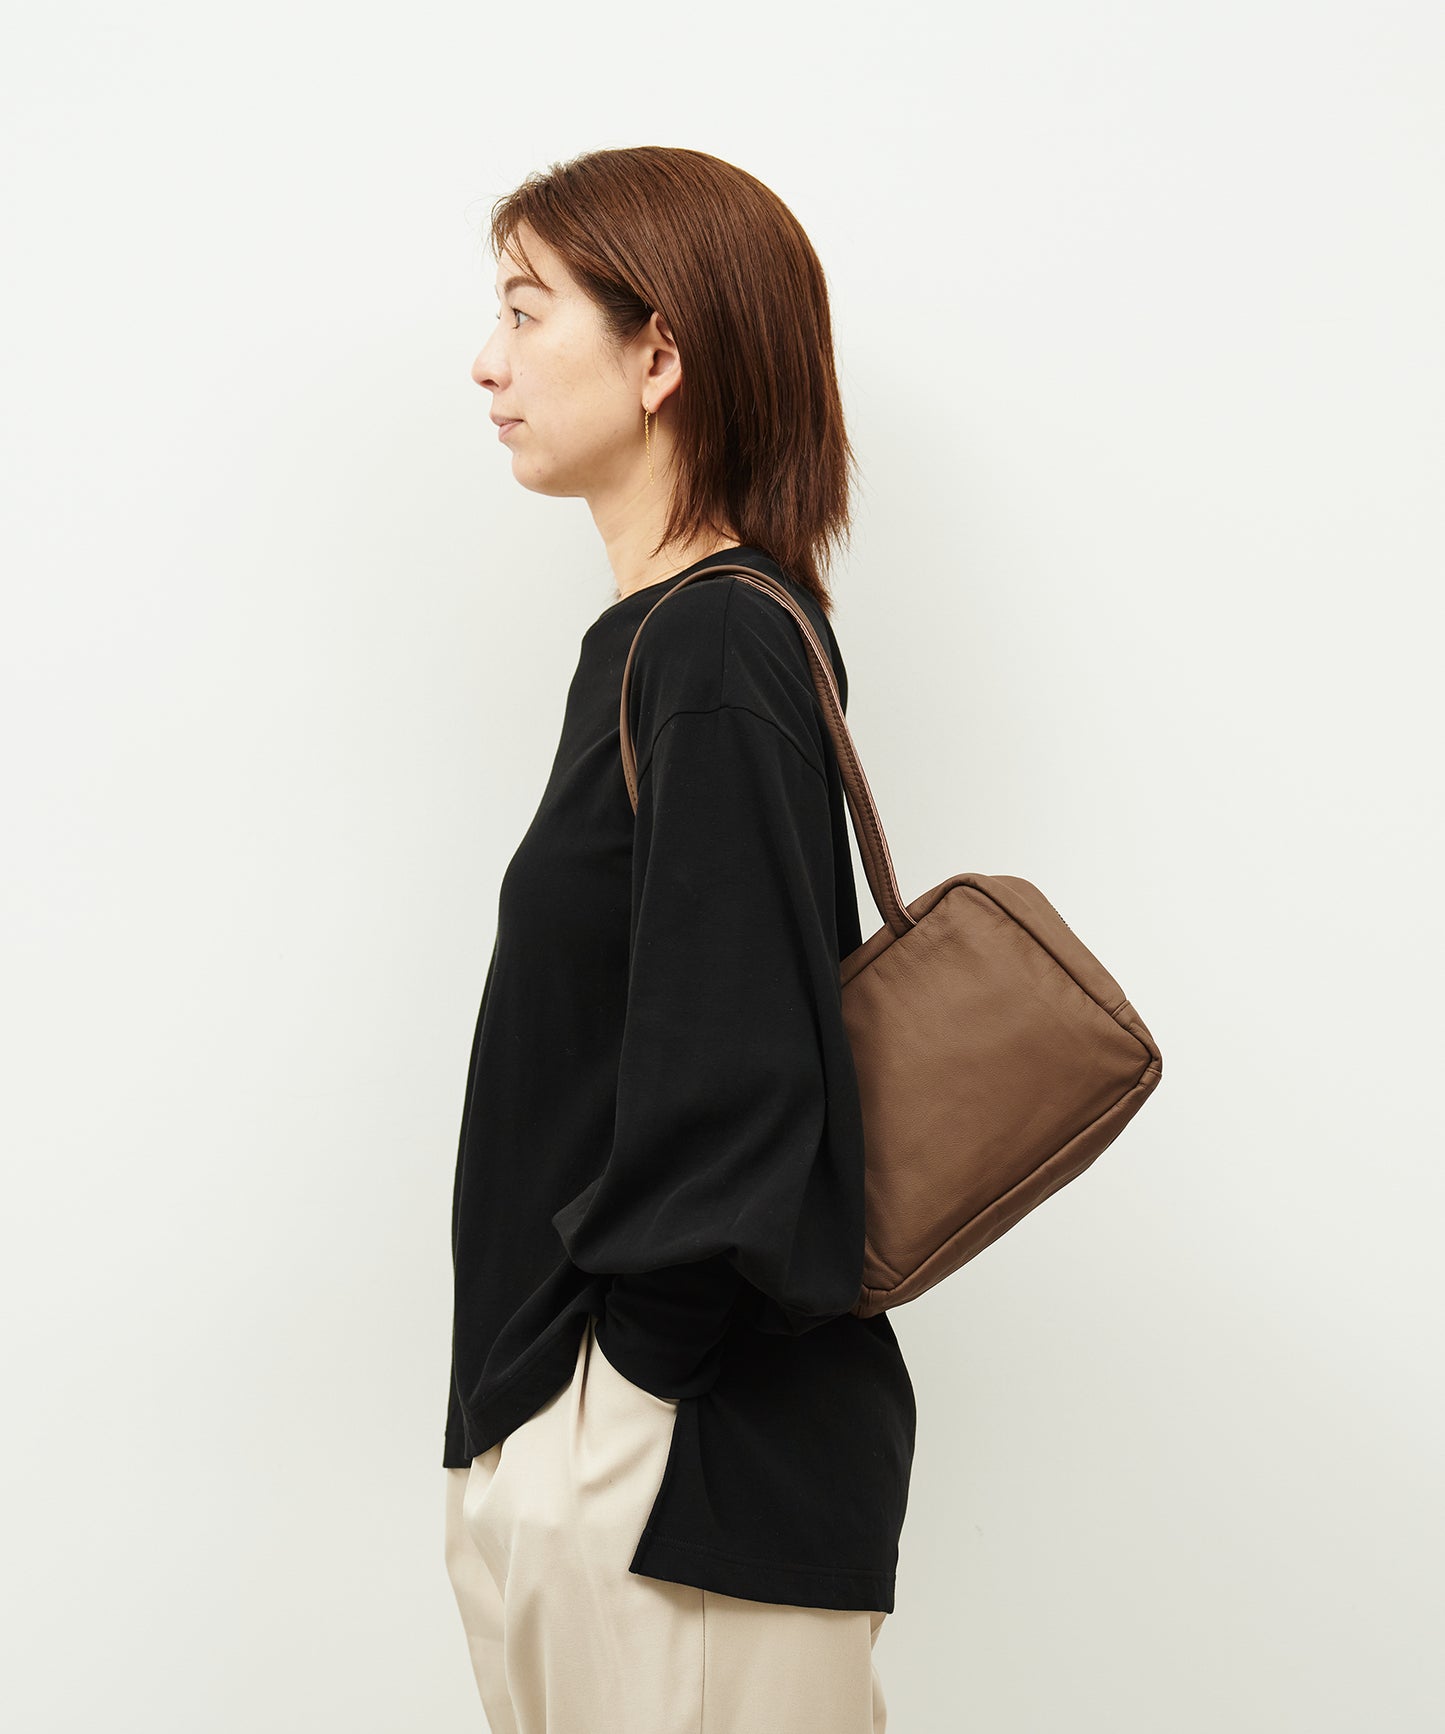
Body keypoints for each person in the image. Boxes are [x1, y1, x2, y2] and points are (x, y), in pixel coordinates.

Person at [442, 146, 915, 1734]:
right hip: (612, 1461)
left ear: (659, 356)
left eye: (526, 311)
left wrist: (616, 1405)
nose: (487, 360)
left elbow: (738, 1068)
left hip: (674, 1477)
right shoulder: (661, 642)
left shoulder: (713, 642)